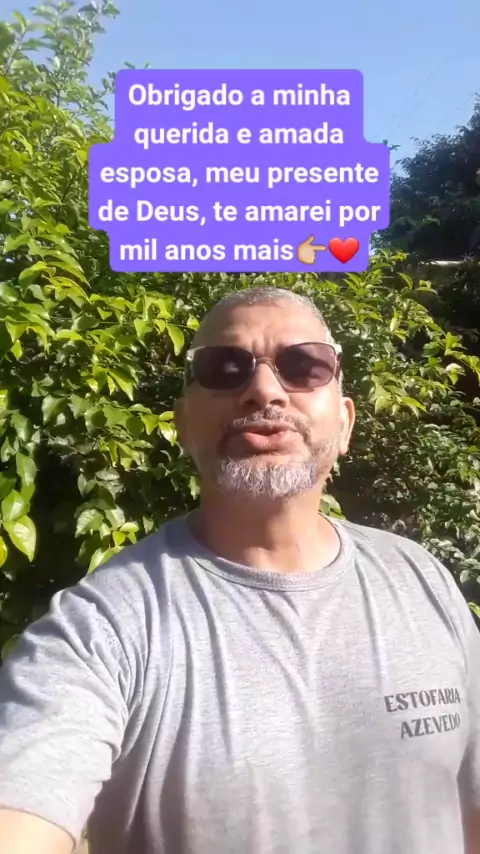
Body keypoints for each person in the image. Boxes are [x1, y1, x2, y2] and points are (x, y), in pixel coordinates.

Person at [0, 286, 479, 854]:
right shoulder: (102, 630)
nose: (264, 390)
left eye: (305, 366)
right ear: (182, 423)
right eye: (225, 368)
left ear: (345, 423)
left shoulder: (422, 579)